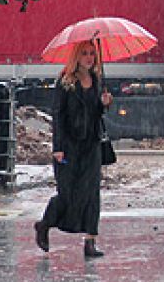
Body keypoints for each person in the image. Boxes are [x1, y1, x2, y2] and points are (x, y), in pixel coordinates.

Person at [34, 41, 113, 257]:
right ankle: (45, 224)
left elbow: (95, 113)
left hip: (92, 145)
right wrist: (58, 147)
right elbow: (58, 115)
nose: (89, 58)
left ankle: (90, 241)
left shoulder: (96, 80)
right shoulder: (65, 81)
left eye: (92, 54)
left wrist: (105, 104)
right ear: (76, 57)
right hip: (69, 145)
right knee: (68, 194)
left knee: (91, 193)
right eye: (85, 54)